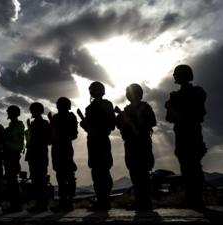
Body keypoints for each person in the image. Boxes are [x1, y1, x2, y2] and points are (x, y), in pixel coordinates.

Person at [165, 64, 207, 210]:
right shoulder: (175, 96)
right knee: (186, 167)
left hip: (192, 133)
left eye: (178, 75)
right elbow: (169, 117)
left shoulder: (197, 92)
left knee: (194, 166)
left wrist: (174, 108)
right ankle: (191, 198)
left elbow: (198, 113)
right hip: (182, 134)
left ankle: (197, 199)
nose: (176, 77)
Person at [116, 84, 156, 211]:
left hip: (142, 142)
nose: (129, 95)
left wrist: (134, 119)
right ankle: (139, 201)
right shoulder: (126, 110)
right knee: (134, 172)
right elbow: (120, 126)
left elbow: (151, 122)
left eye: (131, 92)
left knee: (143, 172)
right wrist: (122, 117)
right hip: (130, 144)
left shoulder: (145, 107)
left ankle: (145, 201)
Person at [79, 81, 115, 211]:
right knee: (96, 171)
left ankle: (105, 200)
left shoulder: (106, 104)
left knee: (104, 170)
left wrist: (96, 128)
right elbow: (89, 126)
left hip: (102, 140)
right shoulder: (89, 108)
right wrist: (85, 125)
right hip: (93, 142)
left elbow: (111, 125)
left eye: (94, 90)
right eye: (91, 90)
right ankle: (101, 200)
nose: (92, 92)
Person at [49, 97, 78, 212]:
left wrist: (61, 135)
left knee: (68, 174)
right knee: (60, 175)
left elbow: (73, 134)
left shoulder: (71, 117)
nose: (58, 106)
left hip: (65, 147)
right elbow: (51, 135)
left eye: (60, 104)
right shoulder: (55, 117)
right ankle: (63, 201)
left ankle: (69, 201)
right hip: (56, 148)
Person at [25, 102, 51, 212]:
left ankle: (42, 204)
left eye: (33, 110)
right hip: (33, 154)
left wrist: (31, 129)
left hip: (40, 154)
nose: (31, 112)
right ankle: (39, 204)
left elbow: (47, 140)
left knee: (40, 179)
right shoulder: (34, 123)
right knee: (35, 180)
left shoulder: (44, 123)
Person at [3, 105, 25, 213]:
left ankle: (16, 206)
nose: (7, 113)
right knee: (11, 181)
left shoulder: (18, 125)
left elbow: (17, 143)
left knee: (12, 181)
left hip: (13, 155)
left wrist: (5, 142)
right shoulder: (11, 126)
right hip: (9, 155)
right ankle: (15, 205)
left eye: (9, 111)